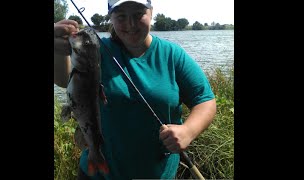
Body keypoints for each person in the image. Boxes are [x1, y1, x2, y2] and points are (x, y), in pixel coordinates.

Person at [54, 0, 217, 179]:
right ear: (111, 18)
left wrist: (188, 130)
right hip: (98, 174)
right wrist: (57, 48)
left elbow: (205, 100)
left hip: (156, 174)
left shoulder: (172, 55)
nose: (130, 24)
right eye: (122, 16)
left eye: (138, 14)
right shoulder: (95, 49)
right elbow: (65, 80)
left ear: (151, 13)